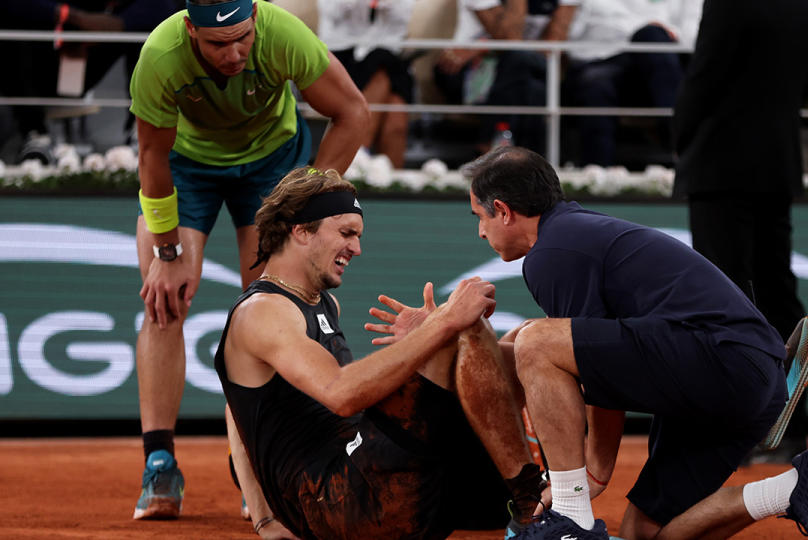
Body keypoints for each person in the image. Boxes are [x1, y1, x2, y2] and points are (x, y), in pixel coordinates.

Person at [463, 146, 808, 540]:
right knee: (645, 533)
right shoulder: (572, 232)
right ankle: (795, 487)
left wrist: (592, 473)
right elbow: (556, 359)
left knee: (536, 341)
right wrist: (441, 334)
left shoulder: (554, 251)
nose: (481, 231)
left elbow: (591, 376)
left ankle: (571, 518)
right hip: (733, 383)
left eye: (480, 217)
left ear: (503, 210)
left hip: (726, 361)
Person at [128, 0, 369, 520]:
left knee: (275, 307)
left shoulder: (284, 35)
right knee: (163, 298)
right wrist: (166, 253)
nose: (235, 53)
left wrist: (304, 199)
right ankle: (160, 462)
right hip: (186, 166)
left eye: (243, 38)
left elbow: (353, 113)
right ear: (191, 31)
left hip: (273, 164)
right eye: (218, 44)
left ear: (256, 19)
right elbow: (151, 156)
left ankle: (258, 468)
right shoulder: (160, 56)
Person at [215, 166, 546, 539]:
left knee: (526, 341)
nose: (357, 248)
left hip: (369, 476)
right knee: (464, 325)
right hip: (339, 501)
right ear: (301, 231)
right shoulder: (263, 311)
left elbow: (236, 407)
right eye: (346, 233)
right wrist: (442, 324)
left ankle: (540, 495)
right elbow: (341, 392)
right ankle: (528, 502)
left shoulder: (324, 304)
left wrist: (428, 335)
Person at [672, 0, 808, 463]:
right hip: (776, 163)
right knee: (778, 294)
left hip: (721, 166)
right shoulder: (805, 7)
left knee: (724, 303)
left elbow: (704, 78)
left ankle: (735, 432)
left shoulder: (728, 3)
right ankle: (789, 428)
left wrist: (680, 133)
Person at [0, 1, 178, 163]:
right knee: (14, 25)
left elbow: (166, 7)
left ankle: (143, 130)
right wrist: (71, 16)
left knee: (152, 31)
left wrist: (115, 25)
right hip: (39, 62)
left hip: (93, 46)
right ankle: (35, 135)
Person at [433, 0, 580, 156]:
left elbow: (550, 47)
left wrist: (481, 47)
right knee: (531, 86)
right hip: (470, 73)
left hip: (531, 69)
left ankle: (490, 147)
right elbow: (511, 39)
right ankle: (532, 162)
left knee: (523, 70)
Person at [563, 0, 685, 167]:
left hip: (652, 62)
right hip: (599, 60)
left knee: (651, 35)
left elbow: (695, 33)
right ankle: (596, 175)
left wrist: (669, 31)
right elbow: (568, 38)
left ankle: (680, 142)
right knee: (596, 84)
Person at [318, 0, 415, 168]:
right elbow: (331, 12)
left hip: (388, 55)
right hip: (342, 54)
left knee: (395, 122)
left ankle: (361, 157)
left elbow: (402, 17)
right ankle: (364, 157)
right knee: (384, 76)